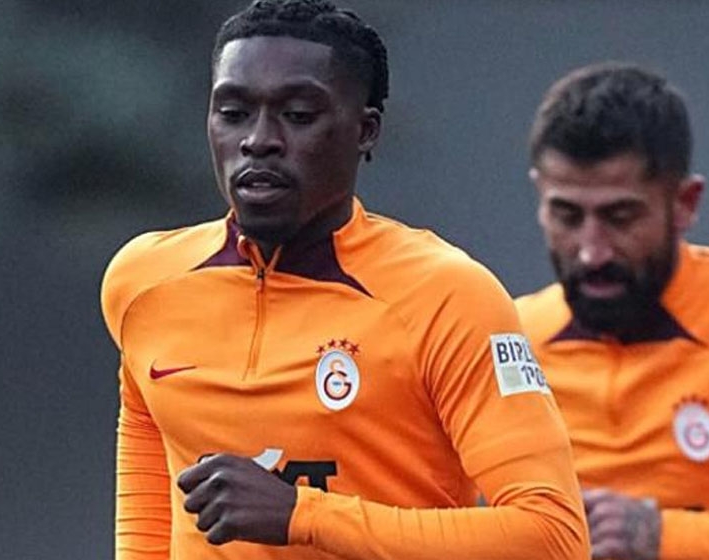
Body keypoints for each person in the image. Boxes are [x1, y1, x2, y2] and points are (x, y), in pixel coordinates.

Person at [101, 1, 588, 558]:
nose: (258, 140)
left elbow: (552, 538)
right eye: (233, 112)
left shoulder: (448, 296)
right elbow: (148, 523)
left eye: (298, 115)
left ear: (365, 130)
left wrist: (303, 515)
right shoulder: (142, 282)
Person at [516, 61, 709, 560]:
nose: (591, 252)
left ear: (685, 204)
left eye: (620, 217)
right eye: (566, 215)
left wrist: (663, 538)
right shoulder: (507, 342)